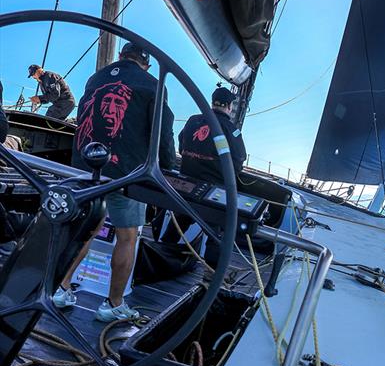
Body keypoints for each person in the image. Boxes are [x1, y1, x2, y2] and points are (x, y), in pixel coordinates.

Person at [54, 42, 176, 322]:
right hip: (125, 174)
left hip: (87, 170)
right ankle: (113, 304)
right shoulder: (152, 84)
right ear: (145, 63)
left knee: (86, 229)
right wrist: (168, 166)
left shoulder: (95, 79)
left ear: (121, 56)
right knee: (127, 237)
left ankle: (61, 290)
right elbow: (163, 134)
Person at [163, 86, 246, 269]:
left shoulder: (193, 121)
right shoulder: (230, 129)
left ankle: (161, 255)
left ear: (213, 103)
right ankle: (210, 276)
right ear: (229, 106)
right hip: (212, 192)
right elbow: (239, 160)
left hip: (186, 186)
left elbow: (181, 145)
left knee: (179, 223)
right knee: (215, 232)